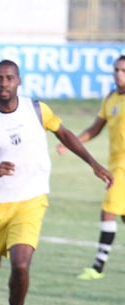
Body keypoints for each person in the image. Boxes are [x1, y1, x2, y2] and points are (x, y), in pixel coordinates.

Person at [0, 59, 112, 305]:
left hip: (31, 200)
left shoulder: (36, 109)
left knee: (21, 264)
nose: (3, 84)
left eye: (9, 78)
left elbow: (64, 133)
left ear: (18, 81)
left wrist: (93, 163)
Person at [57, 55, 125, 280]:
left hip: (123, 168)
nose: (118, 74)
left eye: (123, 70)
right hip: (115, 162)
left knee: (108, 211)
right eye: (116, 70)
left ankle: (97, 267)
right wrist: (71, 143)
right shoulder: (111, 99)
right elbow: (96, 128)